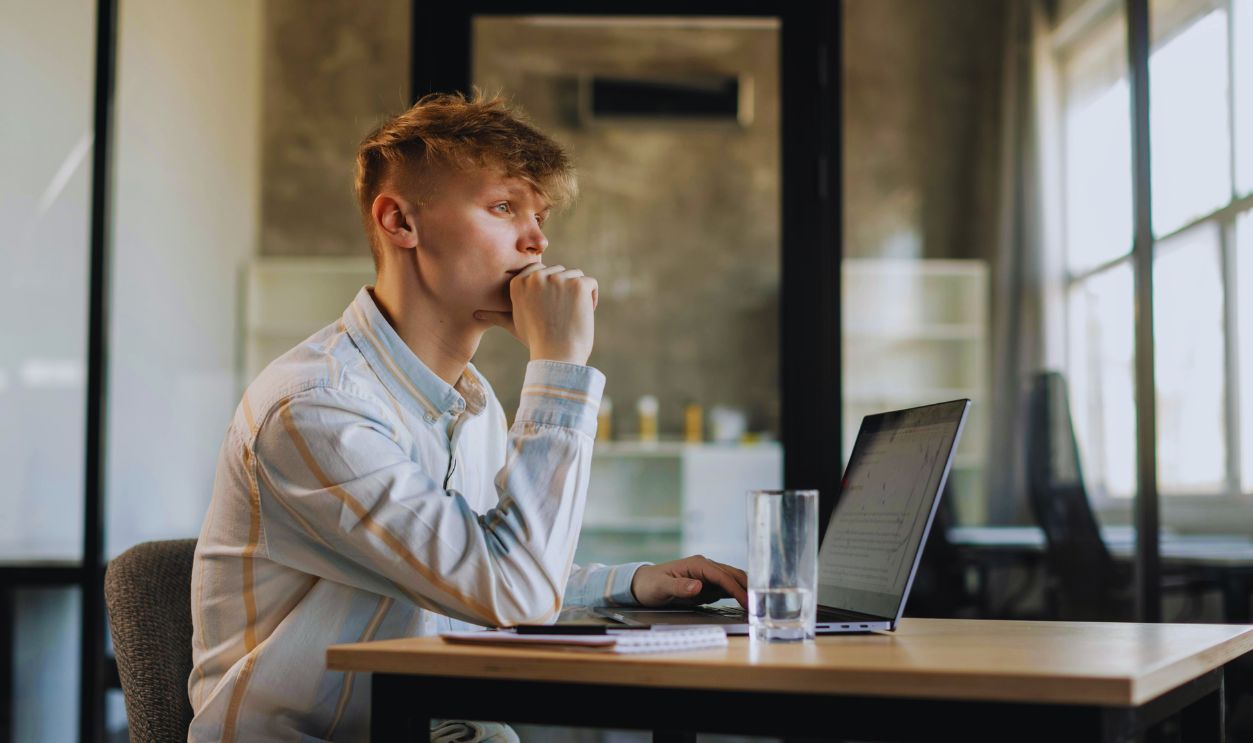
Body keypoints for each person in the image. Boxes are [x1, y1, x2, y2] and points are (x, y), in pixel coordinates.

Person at [187, 90, 748, 743]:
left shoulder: (470, 398)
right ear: (399, 221)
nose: (536, 240)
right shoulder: (317, 408)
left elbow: (473, 567)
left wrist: (631, 583)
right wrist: (560, 366)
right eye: (504, 207)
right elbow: (508, 592)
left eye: (539, 215)